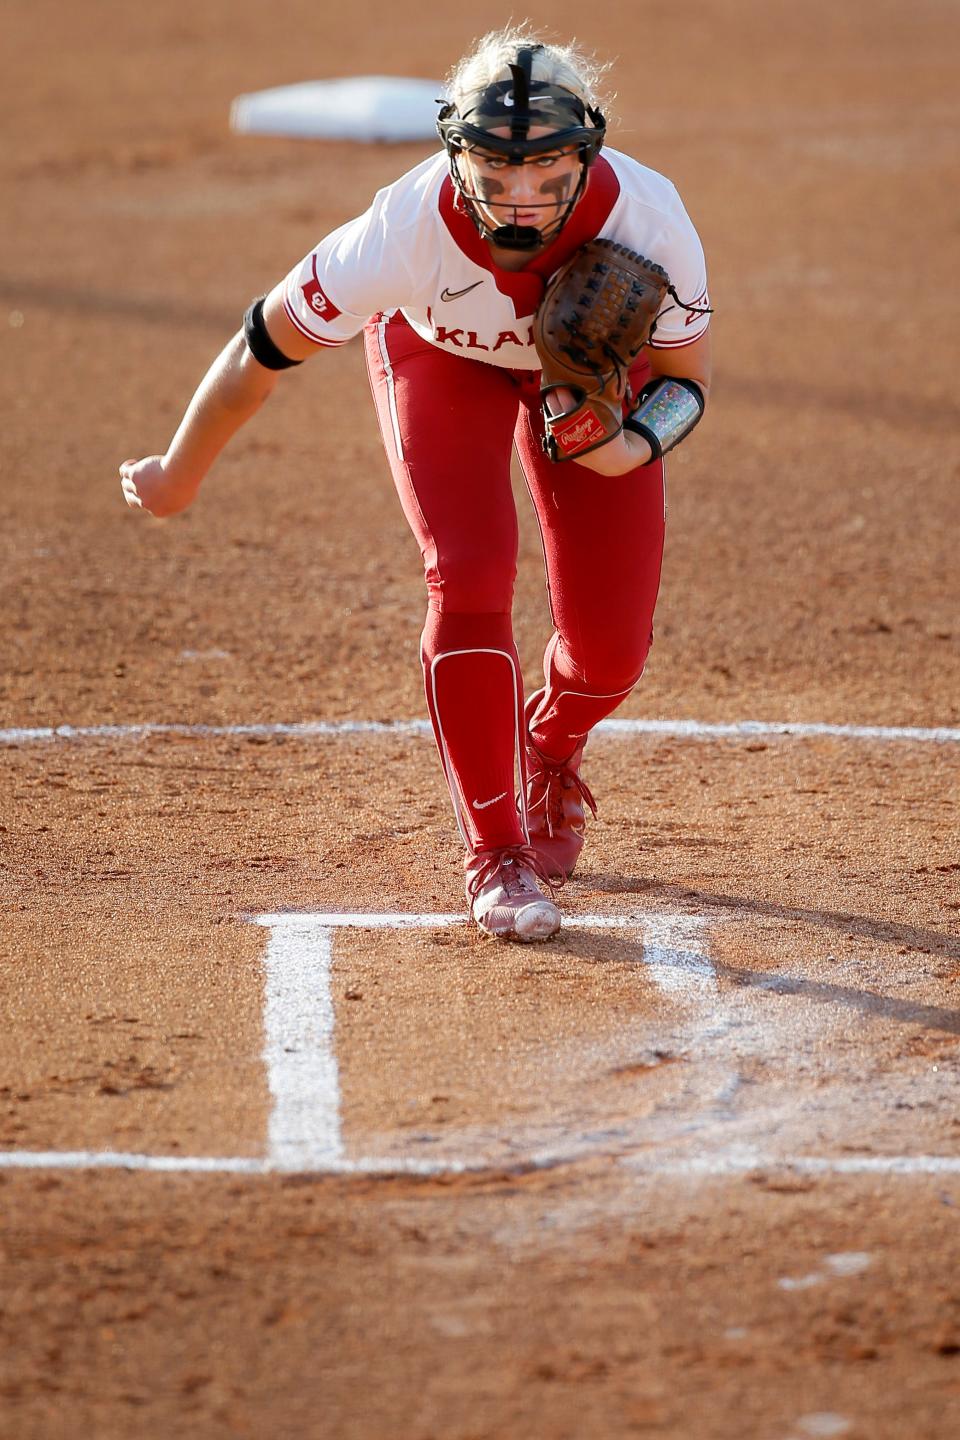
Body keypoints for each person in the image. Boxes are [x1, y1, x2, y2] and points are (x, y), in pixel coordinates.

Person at [120, 27, 712, 943]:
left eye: (548, 170)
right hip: (441, 362)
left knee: (612, 652)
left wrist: (628, 448)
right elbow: (259, 350)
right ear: (454, 152)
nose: (520, 198)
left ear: (589, 152)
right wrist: (176, 471)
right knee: (470, 573)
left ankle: (548, 743)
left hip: (588, 389)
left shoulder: (650, 216)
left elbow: (685, 382)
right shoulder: (402, 231)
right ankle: (497, 853)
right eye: (496, 168)